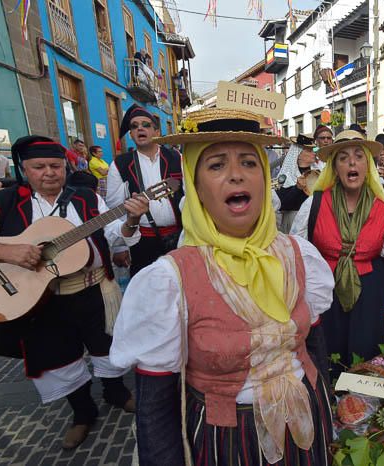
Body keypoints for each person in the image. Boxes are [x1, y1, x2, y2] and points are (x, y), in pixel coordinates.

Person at [110, 108, 334, 466]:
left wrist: (326, 405)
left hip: (308, 424)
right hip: (229, 441)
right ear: (196, 187)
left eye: (249, 163)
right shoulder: (170, 280)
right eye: (216, 165)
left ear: (264, 177)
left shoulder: (298, 255)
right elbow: (155, 403)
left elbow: (314, 347)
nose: (235, 176)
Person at [0, 135, 149, 449]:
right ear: (24, 169)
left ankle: (117, 393)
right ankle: (82, 413)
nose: (49, 172)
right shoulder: (7, 202)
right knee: (59, 357)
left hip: (92, 289)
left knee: (106, 346)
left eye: (56, 165)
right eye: (39, 167)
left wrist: (131, 219)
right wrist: (6, 252)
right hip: (41, 300)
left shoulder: (86, 198)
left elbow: (112, 234)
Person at [291, 130, 384, 374]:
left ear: (368, 165)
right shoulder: (315, 205)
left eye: (358, 157)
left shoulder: (382, 210)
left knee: (366, 361)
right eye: (343, 158)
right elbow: (298, 258)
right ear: (334, 168)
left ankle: (362, 410)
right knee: (327, 360)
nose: (352, 163)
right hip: (325, 296)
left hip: (371, 296)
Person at [106, 104, 184, 276]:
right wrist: (119, 247)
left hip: (179, 236)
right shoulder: (120, 164)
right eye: (134, 126)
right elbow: (114, 209)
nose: (140, 128)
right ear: (131, 134)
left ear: (157, 131)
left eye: (146, 124)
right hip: (142, 241)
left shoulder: (176, 157)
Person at [275, 134, 323, 232]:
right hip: (293, 222)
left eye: (313, 150)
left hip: (315, 221)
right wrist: (297, 189)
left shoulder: (318, 173)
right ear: (298, 154)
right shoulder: (286, 176)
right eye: (309, 150)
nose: (314, 153)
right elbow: (282, 205)